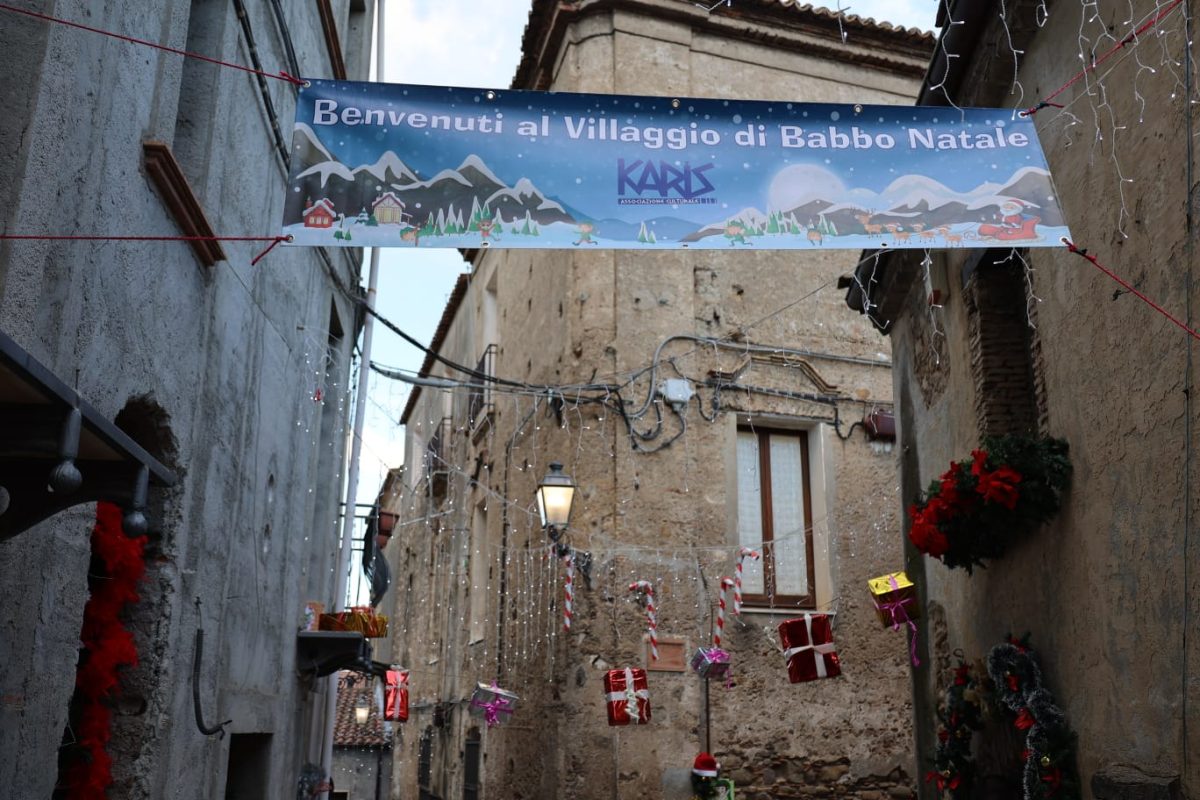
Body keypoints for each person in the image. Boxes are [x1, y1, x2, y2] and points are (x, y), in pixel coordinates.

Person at [362, 507, 394, 608]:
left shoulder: (382, 583)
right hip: (371, 557)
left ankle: (375, 516)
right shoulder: (383, 583)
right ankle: (375, 515)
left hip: (371, 557)